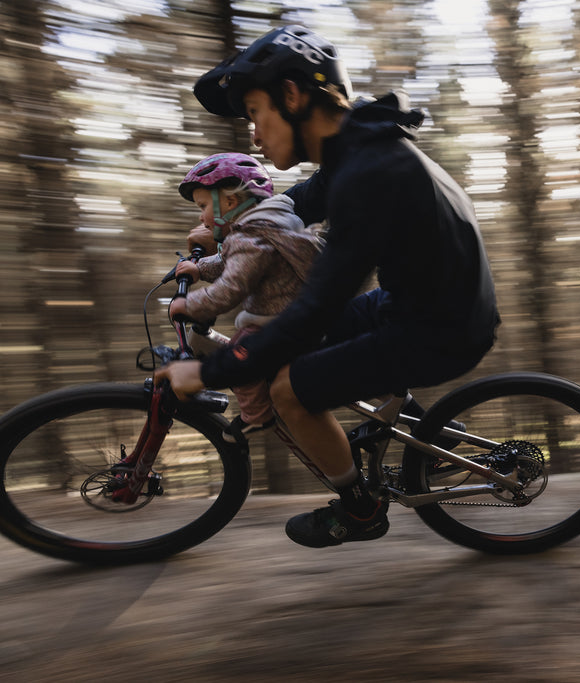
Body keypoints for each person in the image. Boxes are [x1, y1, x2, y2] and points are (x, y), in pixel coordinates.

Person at [155, 25, 501, 549]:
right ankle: (420, 434)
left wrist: (211, 370)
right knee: (295, 350)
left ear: (291, 96)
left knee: (288, 389)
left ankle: (361, 510)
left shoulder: (370, 172)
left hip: (441, 330)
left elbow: (317, 304)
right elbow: (296, 203)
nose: (253, 134)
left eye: (254, 112)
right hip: (417, 304)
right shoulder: (356, 152)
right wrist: (229, 224)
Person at [171, 152, 323, 443]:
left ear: (229, 203)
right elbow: (232, 262)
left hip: (278, 319)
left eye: (203, 206)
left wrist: (189, 305)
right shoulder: (263, 225)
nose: (200, 216)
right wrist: (199, 268)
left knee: (240, 359)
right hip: (296, 312)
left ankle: (256, 416)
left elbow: (231, 288)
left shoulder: (249, 235)